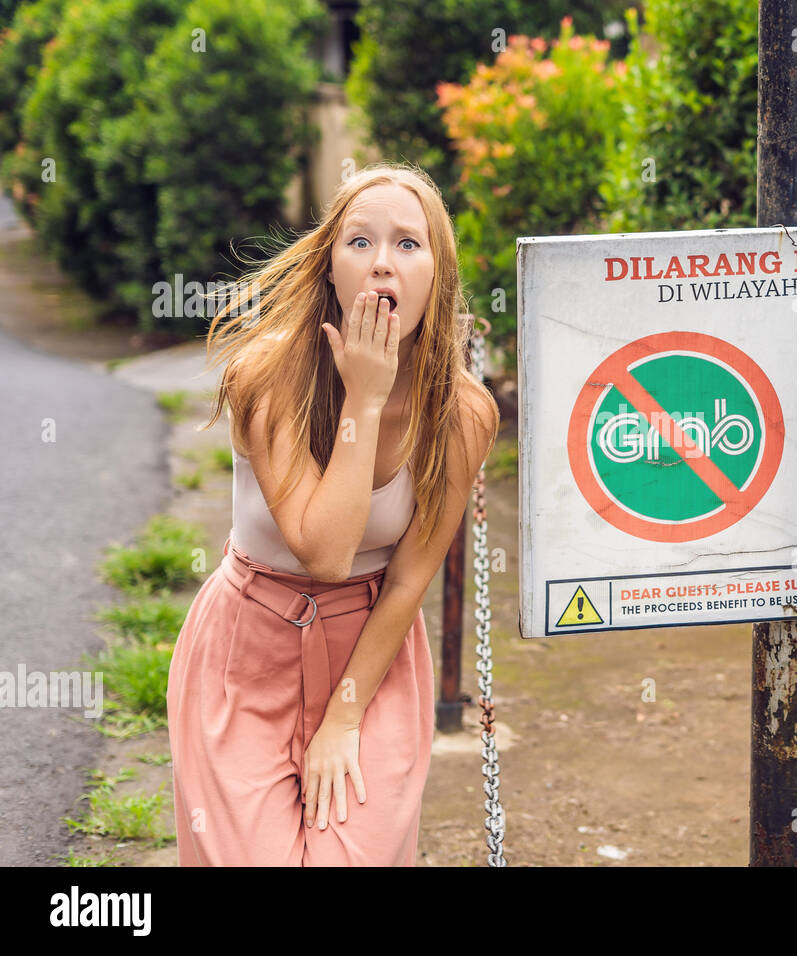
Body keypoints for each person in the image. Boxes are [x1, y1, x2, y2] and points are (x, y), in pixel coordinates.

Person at [167, 163, 498, 865]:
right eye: (359, 243)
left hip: (370, 657)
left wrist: (344, 715)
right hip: (246, 655)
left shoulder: (464, 414)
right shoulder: (266, 376)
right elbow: (323, 552)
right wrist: (365, 402)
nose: (383, 263)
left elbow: (409, 580)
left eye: (409, 244)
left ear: (438, 273)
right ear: (328, 269)